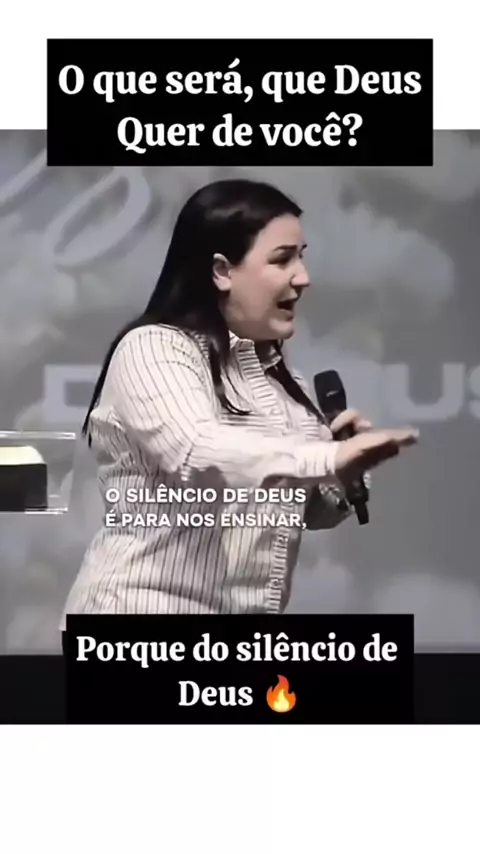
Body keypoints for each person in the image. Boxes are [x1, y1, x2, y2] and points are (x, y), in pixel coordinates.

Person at [61, 178, 418, 620]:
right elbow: (197, 453)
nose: (303, 277)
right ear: (221, 271)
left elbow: (307, 512)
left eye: (301, 257)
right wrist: (324, 458)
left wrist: (344, 472)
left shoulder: (282, 380)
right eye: (282, 259)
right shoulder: (153, 347)